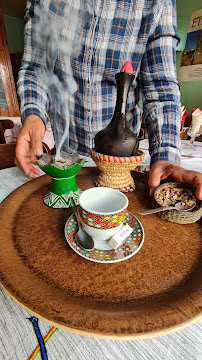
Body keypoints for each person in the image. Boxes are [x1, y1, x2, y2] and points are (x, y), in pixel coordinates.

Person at [15, 0, 202, 200]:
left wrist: (165, 157)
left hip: (122, 162)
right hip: (68, 154)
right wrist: (33, 114)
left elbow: (160, 87)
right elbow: (36, 69)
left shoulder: (156, 3)